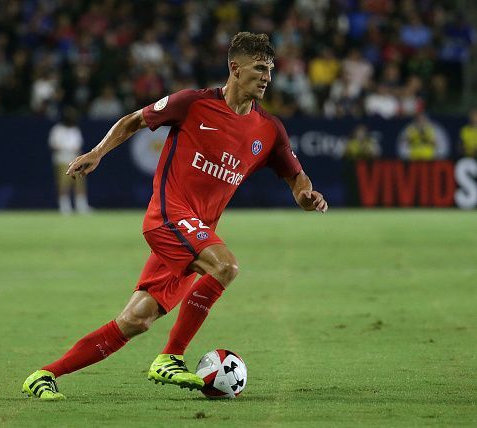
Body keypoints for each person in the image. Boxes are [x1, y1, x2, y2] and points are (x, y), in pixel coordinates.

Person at [22, 32, 328, 400]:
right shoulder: (192, 103)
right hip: (168, 217)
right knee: (226, 267)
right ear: (235, 67)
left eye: (270, 69)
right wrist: (98, 152)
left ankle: (44, 375)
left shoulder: (269, 129)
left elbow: (296, 175)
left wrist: (305, 195)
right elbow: (134, 120)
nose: (267, 76)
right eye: (259, 68)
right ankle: (170, 357)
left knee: (136, 319)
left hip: (194, 235)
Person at [48, 106, 90, 214]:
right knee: (63, 184)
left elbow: (79, 146)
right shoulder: (57, 130)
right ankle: (64, 207)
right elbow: (53, 145)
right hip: (62, 160)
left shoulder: (75, 130)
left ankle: (81, 206)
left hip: (75, 161)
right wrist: (65, 148)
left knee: (79, 184)